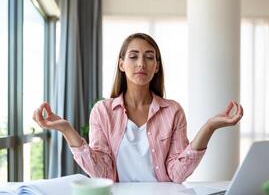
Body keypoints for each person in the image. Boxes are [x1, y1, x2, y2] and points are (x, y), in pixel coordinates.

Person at [33, 33, 243, 183]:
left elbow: (177, 174)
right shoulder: (102, 111)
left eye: (149, 57)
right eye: (133, 56)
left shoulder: (173, 111)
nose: (141, 63)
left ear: (156, 66)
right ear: (121, 64)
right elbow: (102, 175)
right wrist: (67, 130)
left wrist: (209, 127)